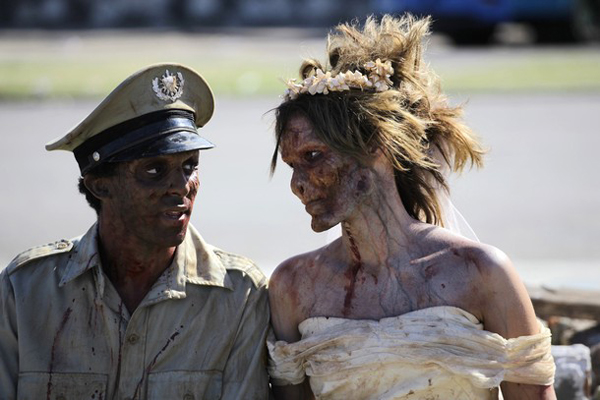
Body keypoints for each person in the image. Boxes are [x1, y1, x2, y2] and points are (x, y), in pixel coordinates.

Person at [267, 15, 556, 400]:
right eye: (292, 166)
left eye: (313, 156)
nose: (297, 184)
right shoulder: (293, 288)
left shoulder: (481, 274)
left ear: (375, 146)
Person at [0, 63, 270, 399]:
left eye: (190, 166)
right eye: (154, 170)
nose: (181, 186)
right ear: (99, 185)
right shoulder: (24, 291)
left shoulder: (239, 297)